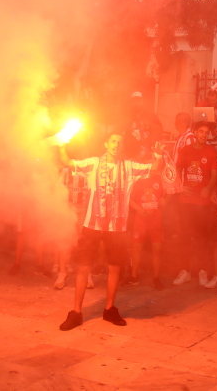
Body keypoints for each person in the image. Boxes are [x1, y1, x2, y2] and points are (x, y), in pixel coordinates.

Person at [58, 132, 164, 331]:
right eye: (113, 141)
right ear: (106, 143)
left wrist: (158, 154)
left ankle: (109, 309)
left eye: (120, 142)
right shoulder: (93, 164)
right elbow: (67, 162)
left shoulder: (129, 167)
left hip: (117, 227)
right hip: (92, 224)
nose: (117, 144)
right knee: (83, 267)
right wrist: (62, 142)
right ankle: (76, 312)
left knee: (114, 267)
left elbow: (155, 168)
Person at [174, 122, 217, 288]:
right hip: (186, 201)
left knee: (202, 239)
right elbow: (177, 170)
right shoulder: (186, 150)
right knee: (184, 237)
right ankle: (184, 271)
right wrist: (180, 186)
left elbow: (214, 174)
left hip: (203, 203)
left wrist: (209, 188)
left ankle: (202, 272)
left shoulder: (211, 151)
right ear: (194, 132)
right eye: (201, 132)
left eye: (206, 133)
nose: (204, 135)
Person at [127, 174, 168, 288]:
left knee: (157, 249)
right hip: (140, 219)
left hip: (156, 220)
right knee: (136, 248)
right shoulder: (137, 179)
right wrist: (138, 209)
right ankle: (134, 276)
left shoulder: (161, 179)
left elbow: (170, 193)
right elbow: (129, 199)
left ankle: (156, 278)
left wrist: (165, 200)